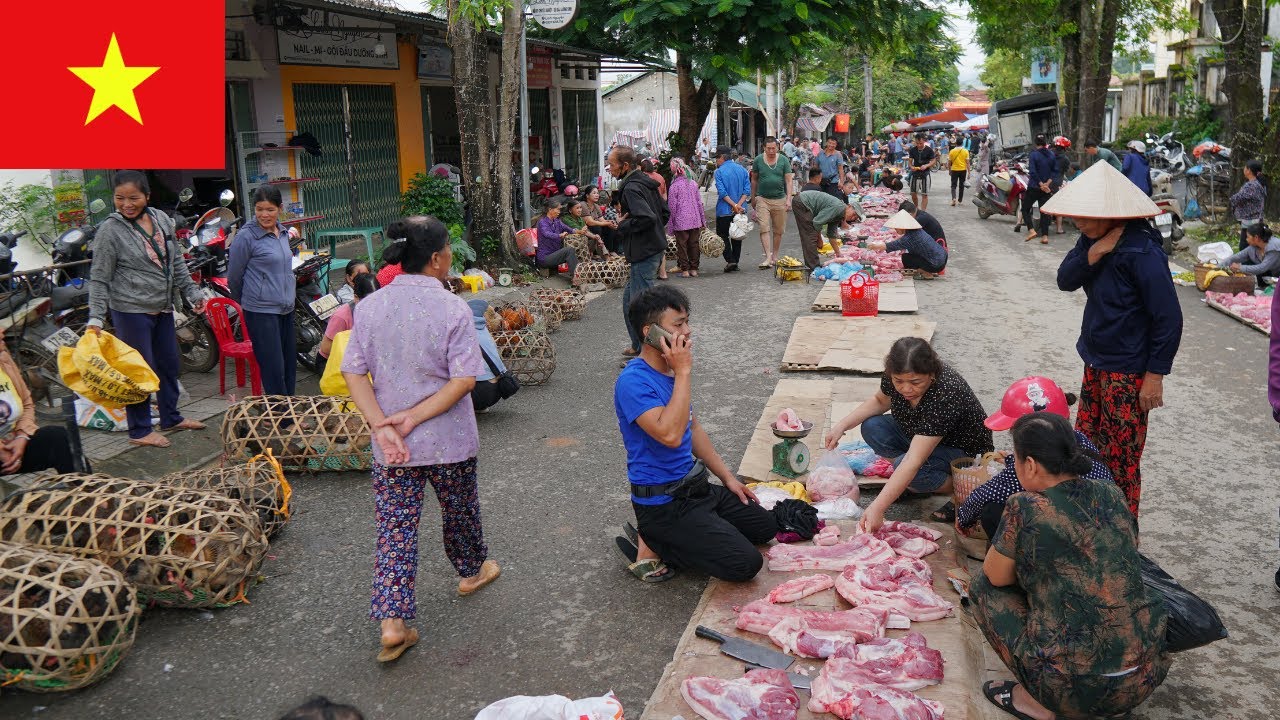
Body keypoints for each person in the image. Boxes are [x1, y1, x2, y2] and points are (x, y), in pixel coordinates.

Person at [341, 215, 501, 664]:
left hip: (392, 446)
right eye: (449, 250)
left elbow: (352, 370)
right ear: (435, 260)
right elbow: (464, 380)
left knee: (395, 529)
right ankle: (471, 572)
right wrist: (414, 416)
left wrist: (382, 424)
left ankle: (393, 623)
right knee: (460, 510)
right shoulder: (453, 308)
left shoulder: (369, 306)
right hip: (448, 441)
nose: (451, 257)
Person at [974, 412, 1170, 720]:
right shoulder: (1111, 493)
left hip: (1067, 691)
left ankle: (1037, 703)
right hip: (1142, 679)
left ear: (1030, 465)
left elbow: (996, 577)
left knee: (982, 587)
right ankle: (1110, 690)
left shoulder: (1025, 505)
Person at [613, 285, 777, 582]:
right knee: (745, 564)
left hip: (695, 489)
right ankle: (654, 541)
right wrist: (684, 372)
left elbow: (693, 427)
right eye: (678, 324)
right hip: (664, 505)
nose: (688, 331)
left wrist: (728, 479)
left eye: (687, 322)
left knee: (766, 527)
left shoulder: (670, 371)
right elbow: (670, 436)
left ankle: (693, 532)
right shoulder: (633, 382)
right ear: (650, 332)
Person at [1050, 161, 1183, 521]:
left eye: (1087, 217)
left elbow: (1169, 318)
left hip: (1127, 372)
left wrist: (1154, 376)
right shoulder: (1090, 239)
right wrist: (1094, 252)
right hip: (1096, 361)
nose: (1079, 222)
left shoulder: (1143, 252)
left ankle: (1122, 535)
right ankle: (1088, 520)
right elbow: (1065, 279)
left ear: (1111, 214)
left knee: (1121, 458)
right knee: (1086, 449)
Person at [87, 170, 207, 448]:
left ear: (147, 196)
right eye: (120, 198)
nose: (126, 204)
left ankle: (171, 417)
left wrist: (192, 292)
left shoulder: (161, 219)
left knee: (168, 365)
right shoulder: (110, 230)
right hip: (131, 310)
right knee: (138, 371)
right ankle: (139, 430)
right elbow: (100, 277)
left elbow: (176, 262)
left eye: (133, 198)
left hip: (162, 307)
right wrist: (95, 316)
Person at [825, 337, 993, 533]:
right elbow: (880, 401)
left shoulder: (946, 393)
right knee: (873, 427)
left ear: (932, 374)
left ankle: (965, 491)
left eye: (915, 382)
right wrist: (842, 425)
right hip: (920, 433)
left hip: (962, 452)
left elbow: (914, 460)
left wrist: (877, 508)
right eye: (899, 381)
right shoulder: (895, 375)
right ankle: (913, 483)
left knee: (908, 467)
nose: (905, 388)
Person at [949, 376, 1113, 533]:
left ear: (1030, 464)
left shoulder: (1026, 470)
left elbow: (985, 495)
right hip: (1100, 532)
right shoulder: (1080, 440)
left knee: (992, 511)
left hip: (1068, 540)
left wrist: (963, 518)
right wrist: (1012, 459)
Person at [228, 185, 298, 397]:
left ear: (280, 208)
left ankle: (290, 411)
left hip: (286, 307)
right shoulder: (246, 237)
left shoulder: (283, 232)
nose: (264, 215)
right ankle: (280, 417)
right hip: (261, 311)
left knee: (288, 364)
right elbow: (234, 276)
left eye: (270, 210)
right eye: (259, 209)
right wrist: (249, 302)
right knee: (273, 367)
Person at [609, 145, 668, 358]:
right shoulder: (645, 182)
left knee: (642, 308)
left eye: (612, 165)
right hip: (649, 249)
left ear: (625, 166)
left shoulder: (633, 188)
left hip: (645, 252)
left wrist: (622, 226)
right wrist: (655, 234)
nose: (610, 169)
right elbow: (664, 212)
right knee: (629, 303)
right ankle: (637, 346)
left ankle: (649, 356)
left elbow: (647, 217)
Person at [0, 344, 78, 475]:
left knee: (57, 438)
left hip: (7, 444)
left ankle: (89, 491)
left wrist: (22, 436)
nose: (2, 330)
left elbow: (26, 403)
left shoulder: (3, 359)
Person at [750, 137, 794, 270]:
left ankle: (775, 255)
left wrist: (788, 199)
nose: (771, 151)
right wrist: (753, 197)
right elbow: (754, 180)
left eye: (773, 148)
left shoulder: (783, 160)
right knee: (764, 227)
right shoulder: (758, 160)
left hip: (780, 199)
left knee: (778, 230)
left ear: (778, 147)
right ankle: (768, 257)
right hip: (762, 198)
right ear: (764, 148)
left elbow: (788, 181)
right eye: (768, 148)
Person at [318, 273, 379, 369]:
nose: (372, 305)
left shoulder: (380, 309)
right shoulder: (341, 316)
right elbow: (325, 348)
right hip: (333, 362)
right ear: (355, 297)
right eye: (367, 301)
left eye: (376, 300)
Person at [867, 210, 948, 276]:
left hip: (936, 264)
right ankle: (925, 269)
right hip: (942, 258)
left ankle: (925, 271)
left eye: (896, 228)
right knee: (910, 254)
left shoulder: (910, 238)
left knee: (906, 258)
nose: (895, 230)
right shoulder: (917, 231)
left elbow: (889, 246)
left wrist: (873, 246)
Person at [792, 189, 859, 270]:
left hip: (804, 202)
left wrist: (838, 253)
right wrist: (819, 240)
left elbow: (831, 235)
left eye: (855, 218)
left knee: (811, 236)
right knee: (810, 236)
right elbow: (817, 222)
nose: (853, 218)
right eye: (854, 214)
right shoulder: (838, 208)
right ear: (849, 206)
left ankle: (813, 266)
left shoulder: (840, 215)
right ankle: (813, 268)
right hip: (802, 202)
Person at [466, 299, 512, 413]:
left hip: (480, 392)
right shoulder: (484, 330)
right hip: (498, 389)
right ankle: (479, 406)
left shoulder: (464, 332)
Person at [667, 157, 707, 277]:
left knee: (682, 246)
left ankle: (685, 270)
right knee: (694, 244)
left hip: (681, 221)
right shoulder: (693, 184)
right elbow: (700, 203)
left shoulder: (674, 186)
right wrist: (703, 220)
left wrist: (671, 225)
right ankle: (694, 269)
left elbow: (672, 207)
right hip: (695, 219)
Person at [714, 145, 751, 273]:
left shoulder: (718, 172)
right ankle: (735, 261)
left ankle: (731, 260)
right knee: (737, 235)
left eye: (717, 158)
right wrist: (738, 205)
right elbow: (747, 190)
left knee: (723, 235)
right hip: (740, 210)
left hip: (724, 210)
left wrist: (733, 205)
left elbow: (722, 192)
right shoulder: (742, 170)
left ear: (722, 157)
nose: (716, 161)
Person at [1022, 135, 1059, 243]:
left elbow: (1033, 171)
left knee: (1025, 209)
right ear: (1045, 142)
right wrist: (1046, 184)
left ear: (1035, 143)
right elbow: (1055, 171)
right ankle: (1045, 237)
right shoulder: (1052, 154)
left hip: (1034, 186)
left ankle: (1032, 230)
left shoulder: (1034, 154)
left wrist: (1040, 184)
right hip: (1046, 189)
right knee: (1045, 212)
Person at [1221, 222, 1279, 288]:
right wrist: (1218, 267)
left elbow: (1262, 268)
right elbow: (1235, 257)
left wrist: (1240, 267)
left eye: (1248, 237)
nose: (1246, 239)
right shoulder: (1254, 247)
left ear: (1256, 237)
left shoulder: (1274, 248)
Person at [534, 198, 579, 280]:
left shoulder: (557, 221)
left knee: (575, 248)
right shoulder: (542, 222)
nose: (559, 212)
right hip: (545, 258)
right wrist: (559, 235)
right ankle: (576, 278)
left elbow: (569, 229)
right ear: (550, 209)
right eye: (557, 209)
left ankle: (578, 273)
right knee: (569, 250)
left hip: (554, 254)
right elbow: (546, 234)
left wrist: (577, 231)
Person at [1229, 159, 1269, 251]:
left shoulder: (1252, 185)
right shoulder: (1258, 183)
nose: (1244, 169)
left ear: (1249, 170)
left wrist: (1231, 198)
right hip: (1255, 221)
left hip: (1250, 222)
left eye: (1245, 167)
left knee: (1245, 248)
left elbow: (1237, 198)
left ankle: (1246, 265)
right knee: (1252, 248)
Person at [579, 187, 618, 256]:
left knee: (611, 227)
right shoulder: (583, 204)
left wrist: (610, 222)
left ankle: (610, 250)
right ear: (587, 195)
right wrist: (607, 223)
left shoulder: (596, 206)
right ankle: (598, 251)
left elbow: (602, 220)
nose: (597, 195)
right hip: (585, 228)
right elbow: (590, 222)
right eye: (594, 193)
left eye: (597, 193)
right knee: (597, 228)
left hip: (595, 226)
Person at [907, 134, 936, 211]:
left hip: (925, 174)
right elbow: (909, 162)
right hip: (915, 173)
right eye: (917, 143)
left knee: (924, 194)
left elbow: (933, 161)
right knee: (913, 193)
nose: (919, 145)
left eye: (921, 143)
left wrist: (927, 165)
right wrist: (911, 167)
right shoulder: (913, 150)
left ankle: (923, 211)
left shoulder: (929, 150)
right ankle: (916, 207)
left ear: (924, 141)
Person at [948, 140, 970, 206]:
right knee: (961, 186)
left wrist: (949, 170)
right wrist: (969, 172)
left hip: (954, 170)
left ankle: (954, 198)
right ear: (962, 143)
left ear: (955, 143)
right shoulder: (965, 151)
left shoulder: (952, 151)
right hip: (963, 170)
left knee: (953, 185)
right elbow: (968, 162)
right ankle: (960, 201)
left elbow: (949, 162)